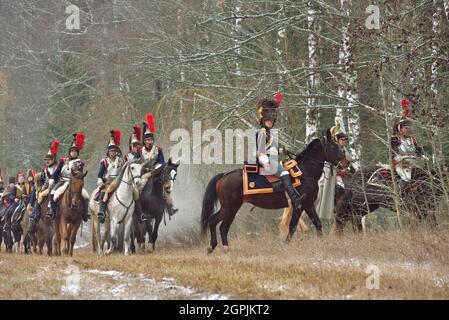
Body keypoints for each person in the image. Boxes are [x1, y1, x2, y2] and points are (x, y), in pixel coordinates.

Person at [255, 92, 304, 210]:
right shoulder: (262, 132)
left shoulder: (268, 132)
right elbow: (261, 151)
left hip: (272, 158)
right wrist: (266, 163)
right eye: (268, 120)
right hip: (265, 161)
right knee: (285, 173)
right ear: (263, 120)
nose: (270, 122)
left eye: (271, 121)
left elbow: (270, 149)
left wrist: (283, 150)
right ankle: (294, 199)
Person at [138, 113, 178, 217]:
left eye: (151, 140)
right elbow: (136, 162)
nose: (149, 142)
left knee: (165, 187)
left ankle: (170, 207)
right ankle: (139, 208)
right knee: (140, 186)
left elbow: (161, 161)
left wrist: (157, 168)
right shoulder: (139, 150)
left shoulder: (158, 150)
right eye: (147, 140)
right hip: (144, 173)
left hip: (156, 172)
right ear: (144, 141)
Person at [48, 133, 89, 221]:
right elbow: (57, 172)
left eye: (75, 152)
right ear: (70, 152)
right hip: (62, 182)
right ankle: (52, 211)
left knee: (86, 196)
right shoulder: (63, 161)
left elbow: (80, 174)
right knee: (53, 193)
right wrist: (52, 179)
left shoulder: (80, 163)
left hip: (74, 183)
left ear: (77, 153)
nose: (74, 153)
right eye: (72, 151)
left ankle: (85, 213)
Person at [391, 99, 427, 192]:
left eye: (409, 127)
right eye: (405, 128)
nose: (408, 129)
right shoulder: (395, 139)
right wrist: (398, 157)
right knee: (406, 177)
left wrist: (422, 155)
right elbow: (393, 151)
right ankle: (397, 194)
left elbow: (418, 149)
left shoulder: (413, 139)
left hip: (415, 162)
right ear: (401, 129)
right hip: (402, 163)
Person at [29, 140, 60, 230]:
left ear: (53, 159)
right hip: (46, 187)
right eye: (46, 160)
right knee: (39, 196)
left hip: (56, 186)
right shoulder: (45, 169)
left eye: (49, 160)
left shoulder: (57, 167)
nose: (47, 161)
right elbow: (43, 180)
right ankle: (35, 214)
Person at [97, 130, 125, 222]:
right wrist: (101, 181)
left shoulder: (121, 160)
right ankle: (102, 212)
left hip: (119, 180)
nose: (113, 152)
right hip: (108, 182)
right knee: (103, 193)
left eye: (114, 150)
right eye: (111, 151)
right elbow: (100, 174)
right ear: (108, 152)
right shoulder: (104, 161)